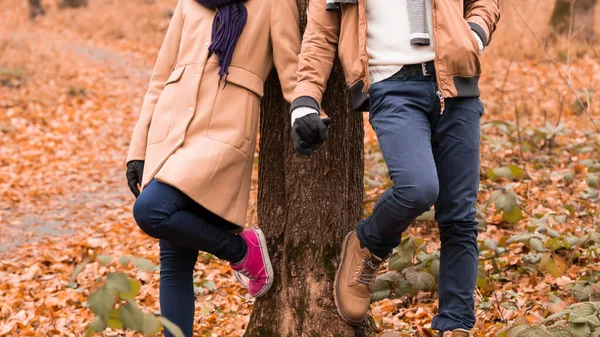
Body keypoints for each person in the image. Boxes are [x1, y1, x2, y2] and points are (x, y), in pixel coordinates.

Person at [289, 0, 499, 335]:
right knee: (418, 188)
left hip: (456, 82)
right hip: (392, 87)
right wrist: (305, 98)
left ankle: (456, 325)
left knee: (460, 216)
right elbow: (320, 36)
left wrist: (474, 32)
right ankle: (369, 243)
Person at [125, 0, 300, 336]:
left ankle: (241, 250)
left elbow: (290, 67)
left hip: (222, 137)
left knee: (150, 212)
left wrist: (306, 107)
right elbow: (160, 76)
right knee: (174, 264)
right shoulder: (189, 3)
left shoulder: (273, 3)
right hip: (171, 134)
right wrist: (139, 147)